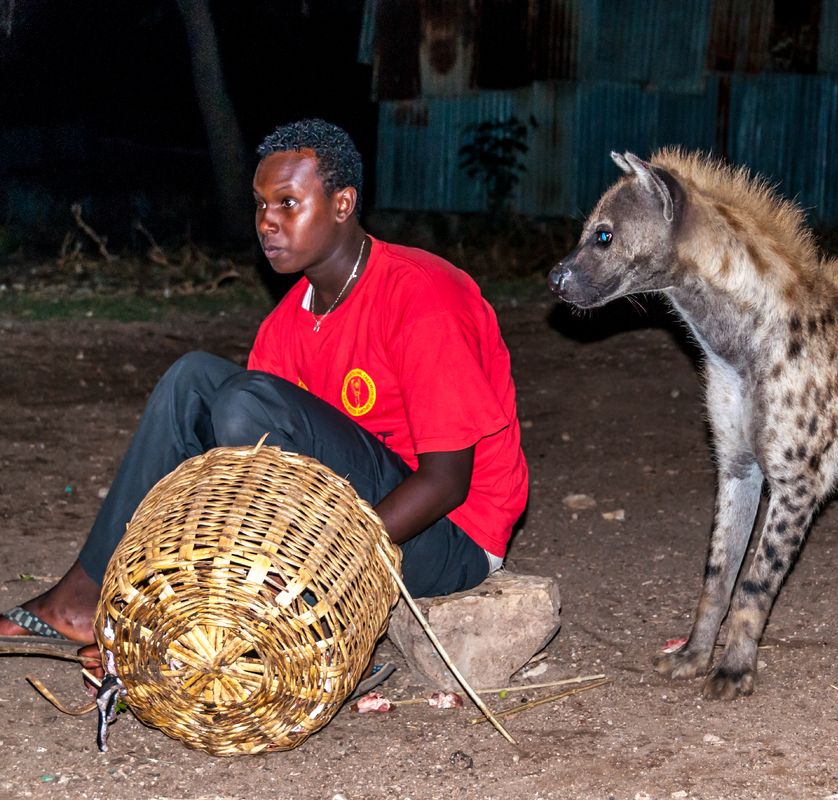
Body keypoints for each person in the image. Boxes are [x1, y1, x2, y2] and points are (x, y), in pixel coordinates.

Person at [0, 118, 528, 647]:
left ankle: (282, 605)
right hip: (341, 524)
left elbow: (447, 482)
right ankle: (83, 598)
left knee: (244, 400)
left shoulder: (421, 296)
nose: (267, 222)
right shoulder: (286, 324)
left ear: (342, 205)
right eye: (259, 204)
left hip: (449, 538)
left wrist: (314, 569)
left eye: (288, 204)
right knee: (194, 379)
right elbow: (248, 483)